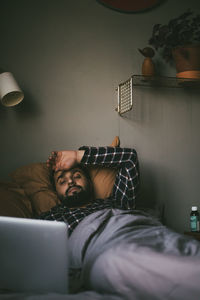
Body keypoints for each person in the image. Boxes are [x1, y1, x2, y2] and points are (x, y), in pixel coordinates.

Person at [38, 146, 140, 235]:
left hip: (131, 236)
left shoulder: (116, 203)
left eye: (77, 176)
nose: (70, 182)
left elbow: (129, 158)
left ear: (90, 182)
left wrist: (77, 156)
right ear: (56, 192)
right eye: (62, 181)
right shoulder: (49, 219)